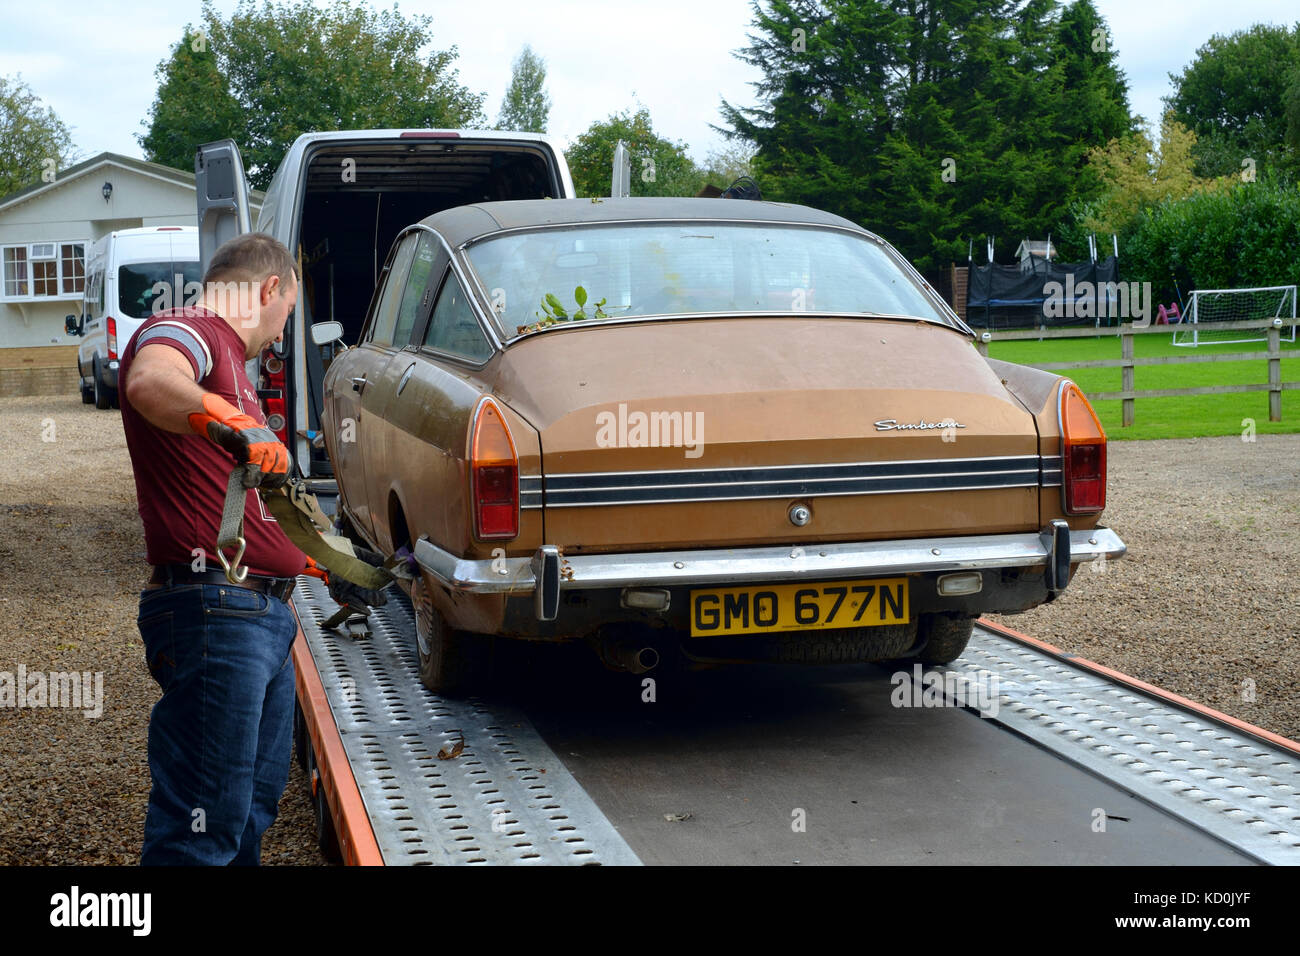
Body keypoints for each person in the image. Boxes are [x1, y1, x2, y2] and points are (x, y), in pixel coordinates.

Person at [119, 232, 303, 865]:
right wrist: (237, 423)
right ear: (269, 289)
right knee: (201, 831)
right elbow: (148, 381)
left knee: (247, 811)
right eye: (286, 316)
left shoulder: (230, 364)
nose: (281, 337)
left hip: (257, 616)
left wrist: (308, 563)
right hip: (216, 613)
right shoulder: (189, 327)